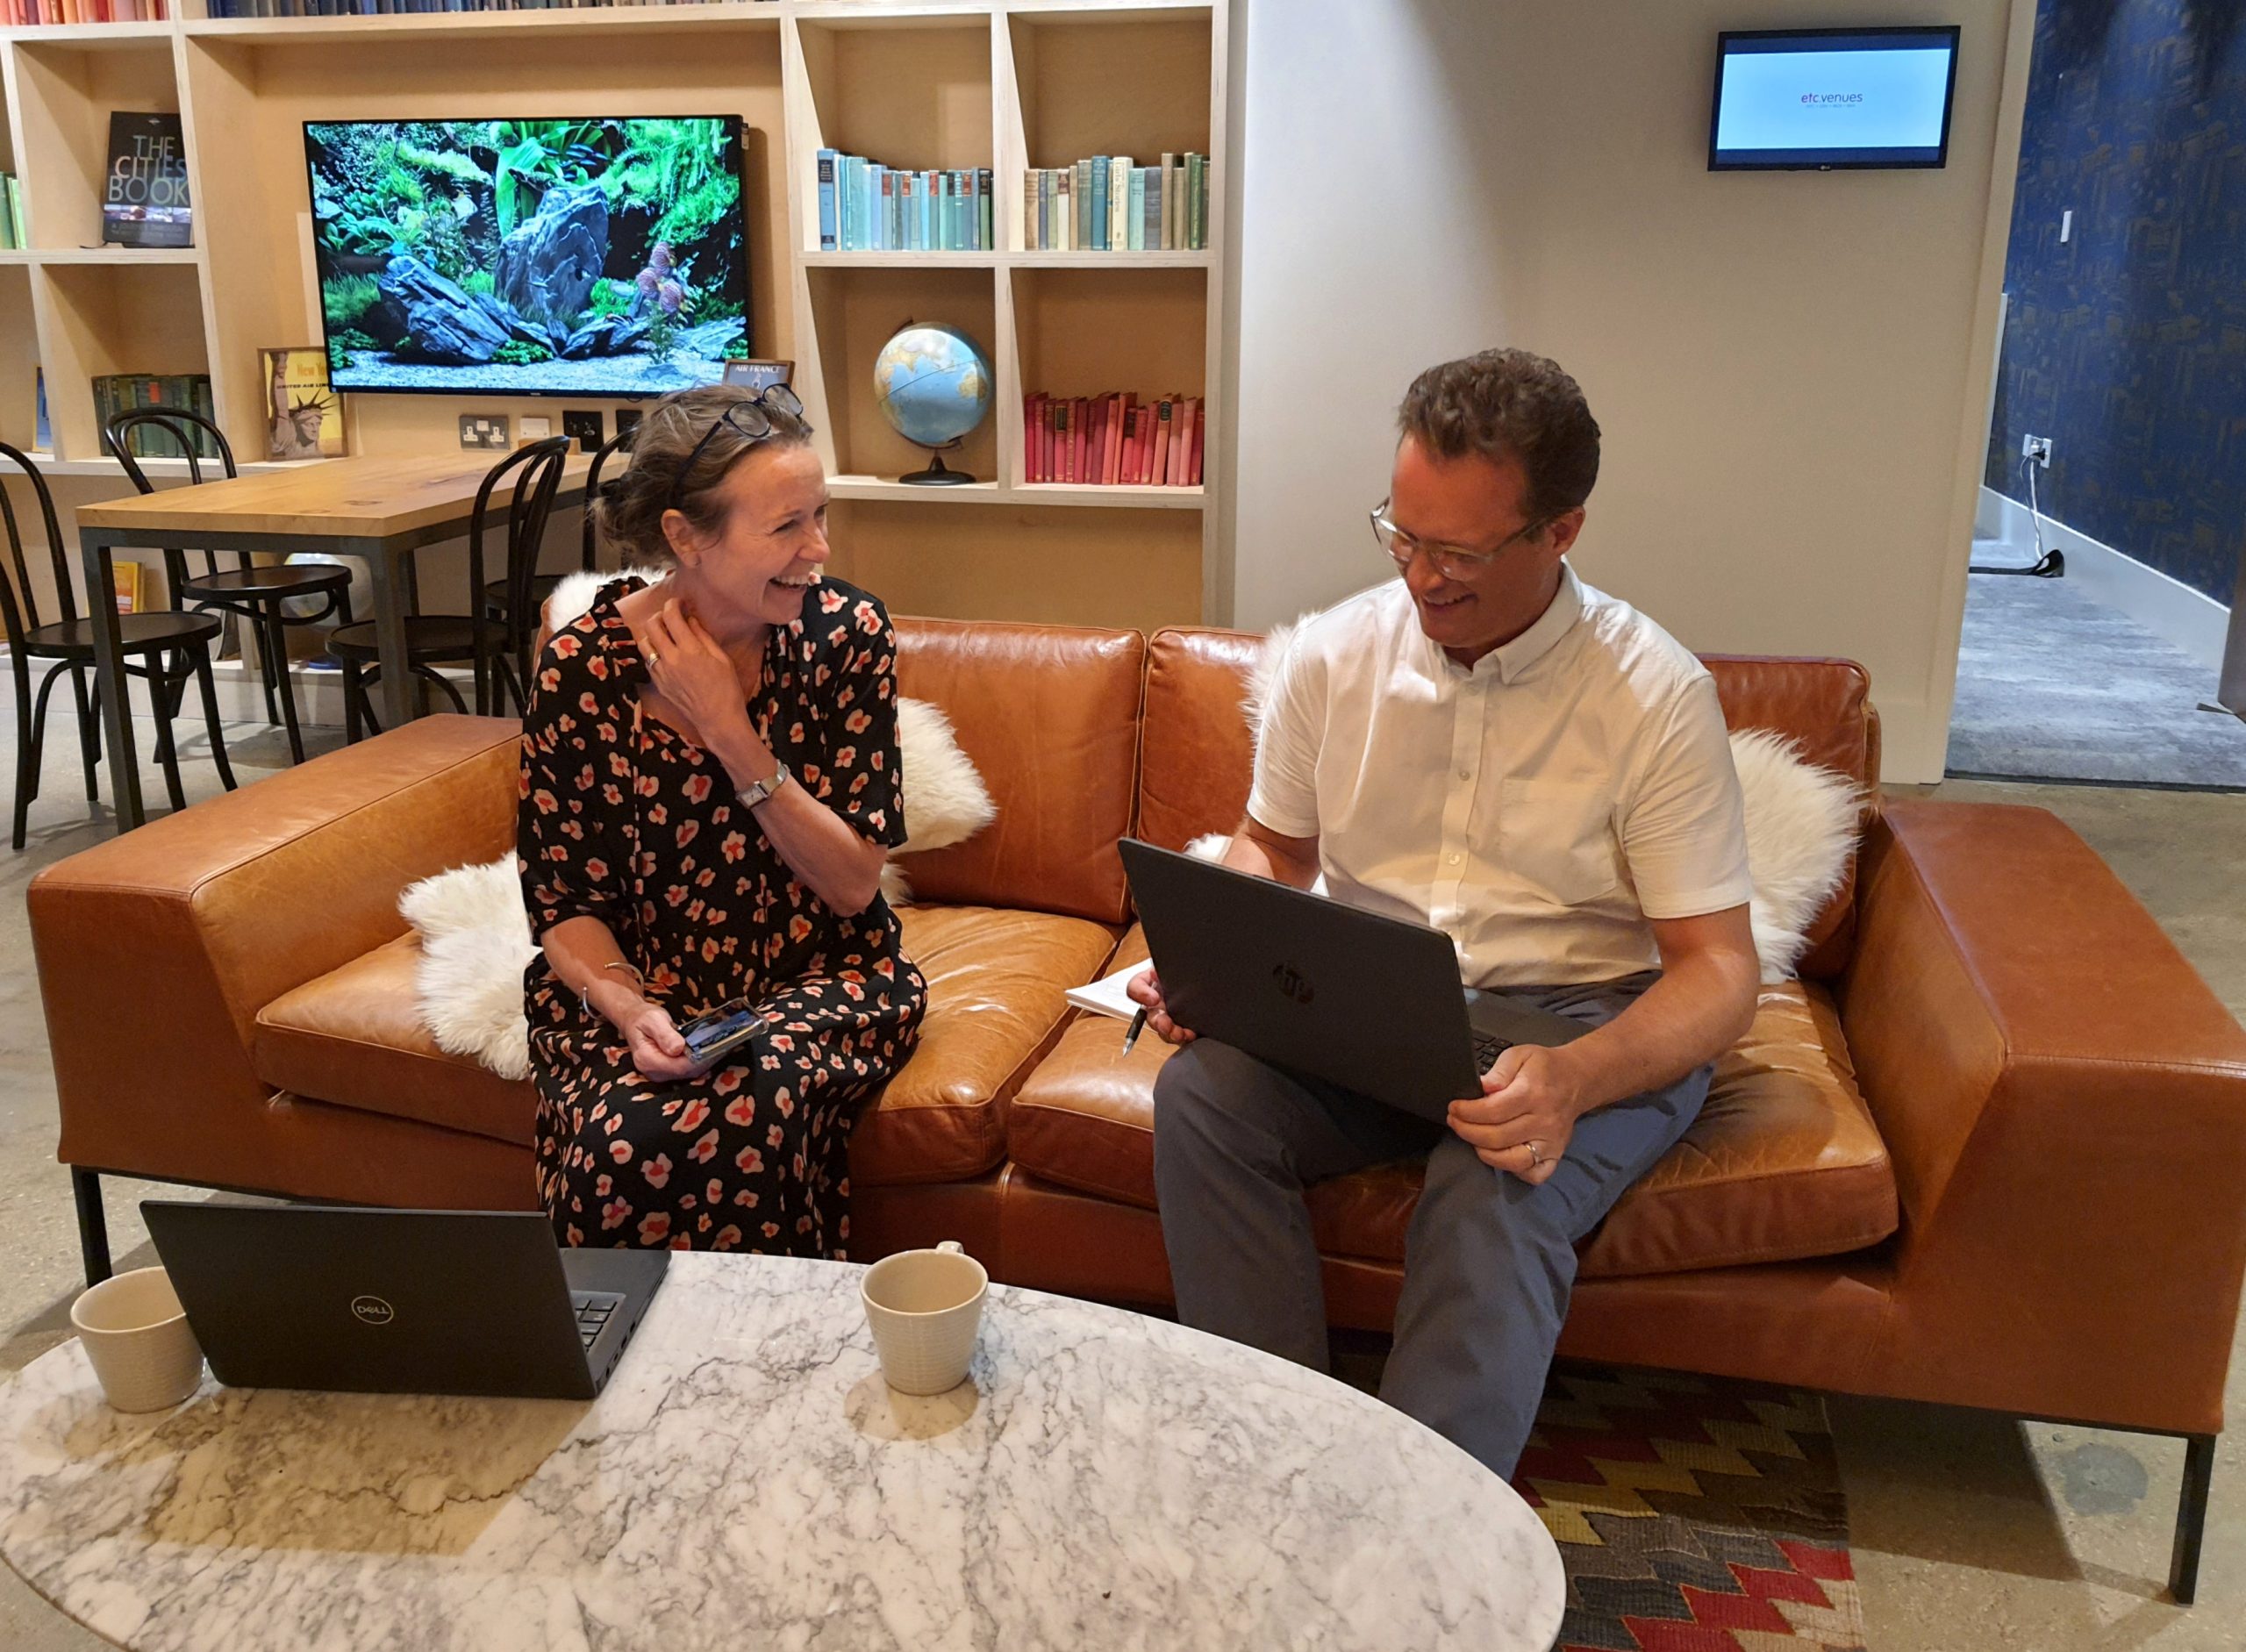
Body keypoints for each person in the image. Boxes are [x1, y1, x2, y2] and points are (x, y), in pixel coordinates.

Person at [1130, 348, 1761, 1477]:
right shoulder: (1334, 653)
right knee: (1206, 1099)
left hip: (1581, 1019)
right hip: (1377, 992)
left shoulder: (1655, 695)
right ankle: (1265, 1464)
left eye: (1460, 552)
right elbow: (1274, 846)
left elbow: (1717, 969)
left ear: (1561, 530)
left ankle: (1422, 1543)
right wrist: (1221, 946)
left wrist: (1573, 1077)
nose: (1423, 577)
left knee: (1491, 1184)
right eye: (1402, 536)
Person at [519, 383, 926, 1257]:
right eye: (786, 526)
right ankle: (620, 1373)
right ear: (684, 536)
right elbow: (563, 903)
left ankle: (771, 1369)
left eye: (820, 515)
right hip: (645, 984)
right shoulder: (582, 668)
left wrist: (730, 735)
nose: (818, 548)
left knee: (751, 1099)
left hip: (821, 976)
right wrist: (628, 1007)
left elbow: (854, 885)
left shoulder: (843, 636)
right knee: (616, 1142)